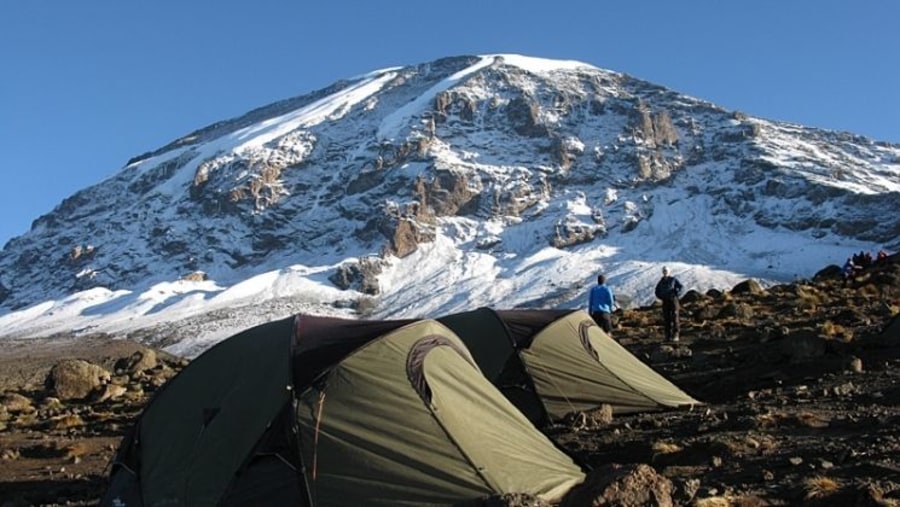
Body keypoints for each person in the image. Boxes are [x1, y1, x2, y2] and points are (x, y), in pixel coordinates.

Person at [654, 266, 683, 342]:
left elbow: (681, 287)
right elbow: (657, 290)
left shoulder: (673, 280)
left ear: (669, 272)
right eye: (664, 271)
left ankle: (676, 335)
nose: (665, 272)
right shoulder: (661, 281)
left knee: (675, 317)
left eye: (666, 271)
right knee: (667, 318)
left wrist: (676, 293)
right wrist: (660, 296)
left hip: (673, 301)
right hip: (665, 301)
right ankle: (667, 336)